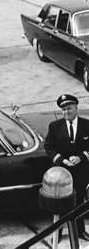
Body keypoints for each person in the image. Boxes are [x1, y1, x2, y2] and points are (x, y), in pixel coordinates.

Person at [45, 94, 89, 241]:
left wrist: (81, 157)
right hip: (61, 175)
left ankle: (80, 231)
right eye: (63, 110)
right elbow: (49, 147)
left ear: (76, 107)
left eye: (69, 109)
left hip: (81, 173)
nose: (66, 112)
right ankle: (57, 234)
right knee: (60, 205)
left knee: (79, 202)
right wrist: (63, 161)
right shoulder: (54, 127)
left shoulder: (86, 125)